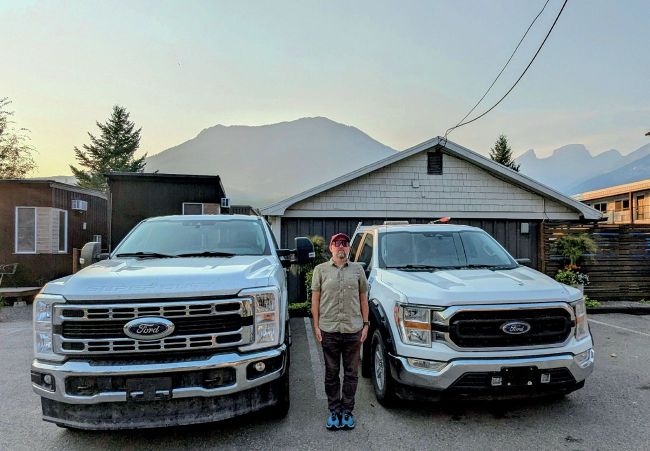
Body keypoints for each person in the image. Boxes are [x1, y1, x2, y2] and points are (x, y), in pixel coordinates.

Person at [311, 232, 369, 430]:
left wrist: (366, 324)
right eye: (337, 243)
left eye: (344, 243)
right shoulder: (320, 270)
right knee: (331, 373)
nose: (341, 246)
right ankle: (334, 411)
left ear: (349, 248)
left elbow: (363, 299)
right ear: (331, 248)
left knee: (352, 374)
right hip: (329, 330)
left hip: (353, 329)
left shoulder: (358, 270)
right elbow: (315, 300)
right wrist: (316, 326)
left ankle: (347, 411)